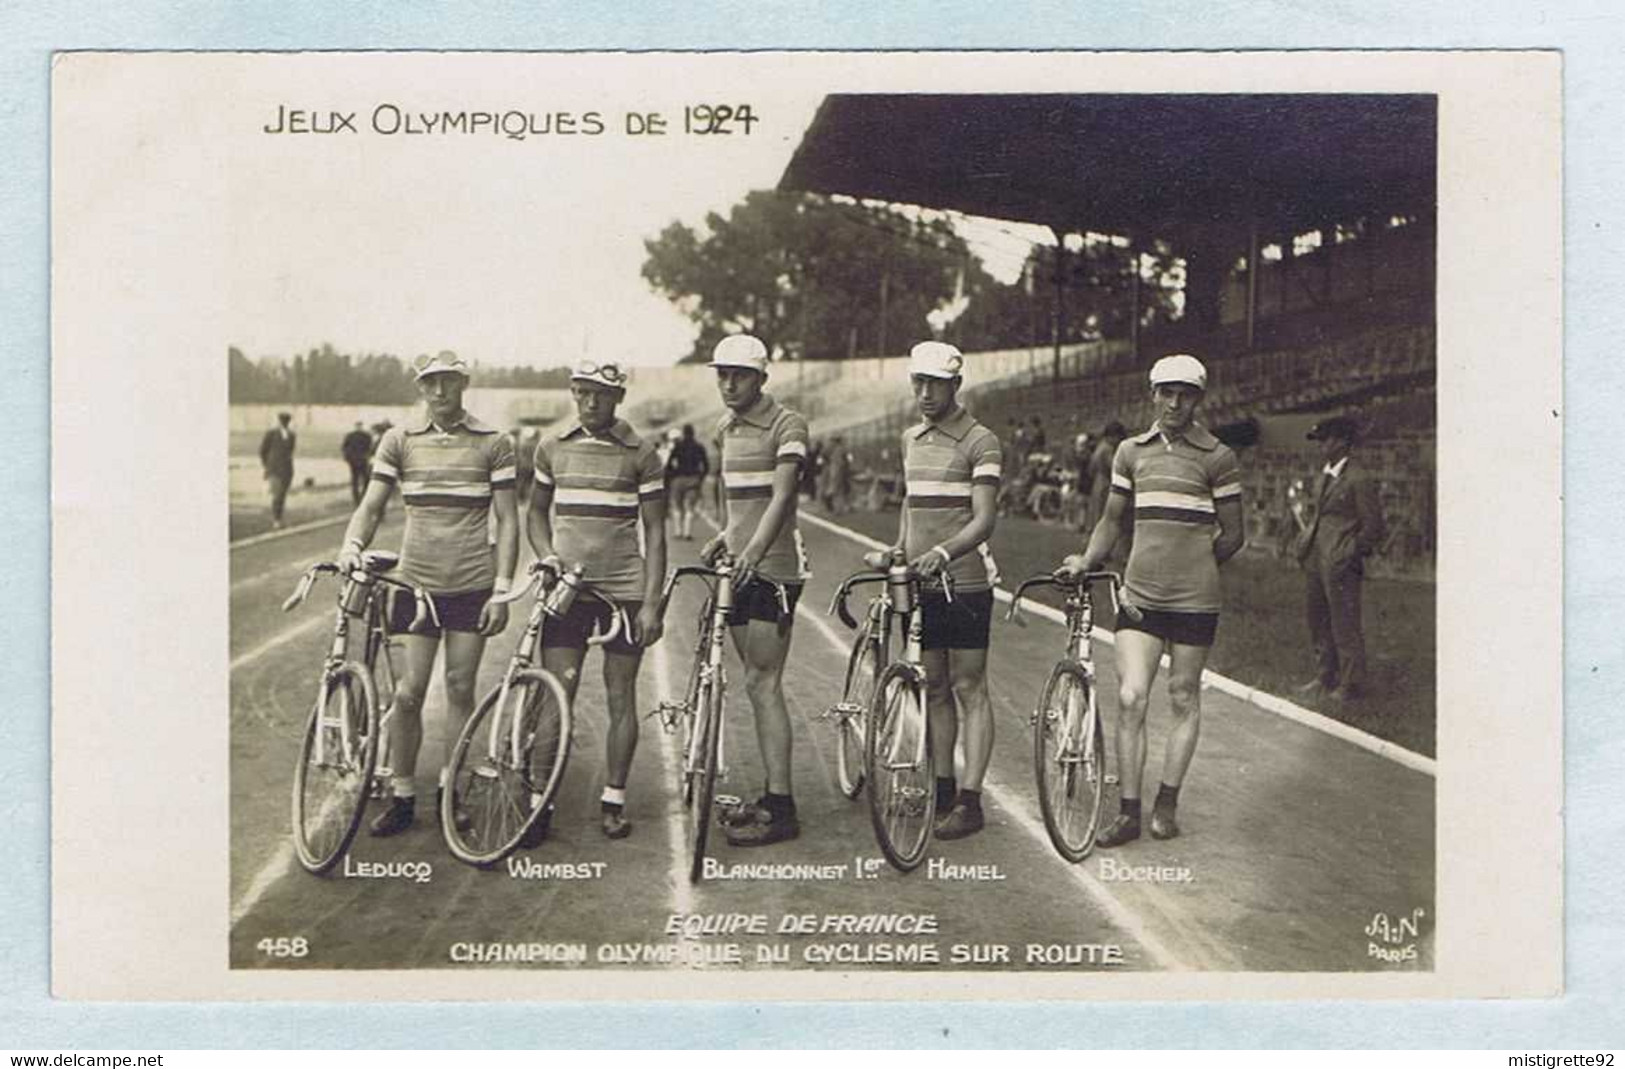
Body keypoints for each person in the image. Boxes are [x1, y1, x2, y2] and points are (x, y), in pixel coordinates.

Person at [1058, 354, 1244, 847]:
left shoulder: (1218, 456)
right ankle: (1128, 811)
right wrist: (1086, 558)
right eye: (1166, 392)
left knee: (1183, 696)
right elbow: (1111, 520)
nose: (1174, 402)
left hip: (1195, 602)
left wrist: (1194, 568)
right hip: (1139, 597)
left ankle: (1167, 802)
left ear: (1198, 399)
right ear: (1153, 394)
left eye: (1185, 394)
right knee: (1130, 697)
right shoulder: (1130, 452)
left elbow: (1234, 535)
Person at [335, 351, 519, 837]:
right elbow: (371, 505)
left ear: (464, 383)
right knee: (408, 693)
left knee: (460, 688)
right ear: (421, 388)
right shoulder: (399, 440)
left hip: (471, 584)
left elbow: (508, 519)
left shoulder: (493, 443)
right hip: (414, 585)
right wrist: (353, 544)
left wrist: (501, 590)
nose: (439, 392)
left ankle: (450, 791)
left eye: (448, 382)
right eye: (430, 383)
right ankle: (401, 795)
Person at [528, 361, 667, 840]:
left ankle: (613, 799)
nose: (592, 402)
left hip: (623, 592)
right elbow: (535, 514)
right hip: (569, 592)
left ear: (619, 397)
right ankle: (538, 803)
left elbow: (656, 530)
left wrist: (651, 603)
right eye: (584, 393)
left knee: (619, 695)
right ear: (573, 392)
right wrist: (547, 557)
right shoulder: (551, 447)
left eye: (603, 394)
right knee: (554, 692)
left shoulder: (642, 453)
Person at [868, 341, 1002, 839]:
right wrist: (899, 548)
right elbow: (911, 505)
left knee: (970, 687)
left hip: (964, 582)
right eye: (917, 383)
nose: (924, 393)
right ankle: (943, 788)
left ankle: (971, 800)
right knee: (936, 687)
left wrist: (944, 552)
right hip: (921, 580)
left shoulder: (981, 441)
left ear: (955, 386)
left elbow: (985, 519)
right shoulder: (912, 438)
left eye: (935, 385)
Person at [701, 334, 810, 847]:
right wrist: (725, 538)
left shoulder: (788, 425)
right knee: (753, 680)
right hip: (741, 566)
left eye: (739, 374)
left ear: (762, 378)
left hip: (775, 570)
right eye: (721, 373)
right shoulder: (726, 427)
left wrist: (753, 554)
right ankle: (772, 796)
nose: (728, 383)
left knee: (764, 682)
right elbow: (742, 506)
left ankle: (783, 808)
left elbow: (782, 497)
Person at [1293, 415, 1386, 702]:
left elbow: (1374, 526)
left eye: (1327, 439)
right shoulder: (1326, 474)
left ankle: (1351, 683)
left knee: (1344, 623)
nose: (1322, 445)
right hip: (1317, 558)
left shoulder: (1359, 478)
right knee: (1318, 619)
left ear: (1344, 442)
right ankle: (1325, 676)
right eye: (1320, 440)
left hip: (1340, 561)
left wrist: (1350, 551)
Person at [665, 423, 709, 541]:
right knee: (690, 507)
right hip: (693, 479)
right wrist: (701, 478)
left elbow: (669, 464)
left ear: (683, 433)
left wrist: (671, 476)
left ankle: (678, 531)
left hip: (678, 479)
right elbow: (706, 465)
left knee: (677, 506)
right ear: (693, 433)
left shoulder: (678, 447)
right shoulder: (699, 447)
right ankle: (687, 533)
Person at [259, 411, 297, 528]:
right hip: (274, 469)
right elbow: (263, 451)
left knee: (282, 495)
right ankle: (276, 519)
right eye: (283, 421)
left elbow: (290, 452)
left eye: (286, 421)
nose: (284, 423)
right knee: (277, 494)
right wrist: (268, 465)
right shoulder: (271, 434)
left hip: (287, 469)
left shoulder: (291, 435)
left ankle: (279, 517)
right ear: (279, 422)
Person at [341, 421, 373, 504]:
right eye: (359, 426)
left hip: (355, 461)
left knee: (356, 479)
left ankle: (357, 498)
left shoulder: (350, 436)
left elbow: (344, 448)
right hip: (361, 460)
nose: (359, 427)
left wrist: (347, 458)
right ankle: (362, 497)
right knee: (364, 479)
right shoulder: (366, 436)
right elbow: (370, 448)